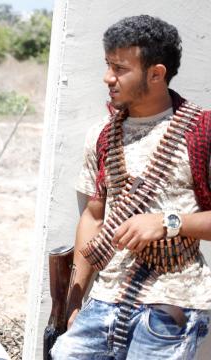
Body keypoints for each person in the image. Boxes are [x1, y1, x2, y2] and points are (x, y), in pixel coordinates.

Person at [51, 15, 211, 360]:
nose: (108, 77)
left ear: (156, 73)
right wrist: (76, 300)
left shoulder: (202, 131)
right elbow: (93, 217)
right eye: (108, 65)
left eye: (120, 68)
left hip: (172, 304)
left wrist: (169, 222)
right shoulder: (102, 134)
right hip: (105, 300)